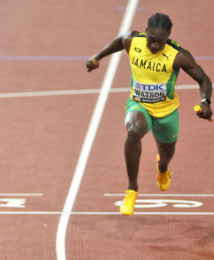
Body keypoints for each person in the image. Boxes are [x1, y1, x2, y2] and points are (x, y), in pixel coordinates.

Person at [86, 13, 212, 215]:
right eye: (151, 40)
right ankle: (132, 190)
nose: (154, 46)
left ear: (168, 37)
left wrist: (205, 102)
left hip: (167, 111)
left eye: (160, 42)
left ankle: (162, 169)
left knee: (166, 153)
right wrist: (96, 58)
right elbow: (118, 42)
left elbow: (204, 79)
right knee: (134, 130)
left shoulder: (177, 55)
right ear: (146, 33)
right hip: (139, 105)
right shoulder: (133, 41)